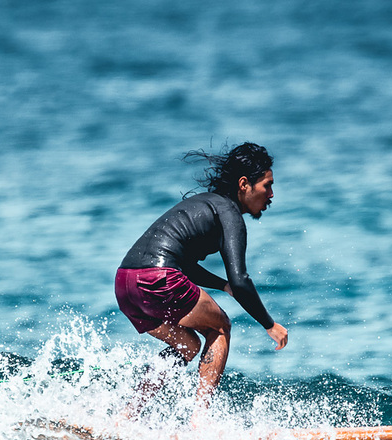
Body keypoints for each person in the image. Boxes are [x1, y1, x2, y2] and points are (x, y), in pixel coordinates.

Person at [115, 142, 289, 416]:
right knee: (220, 328)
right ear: (244, 184)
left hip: (125, 283)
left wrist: (222, 286)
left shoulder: (205, 203)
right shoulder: (229, 214)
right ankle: (200, 420)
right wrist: (270, 325)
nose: (271, 194)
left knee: (187, 344)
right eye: (267, 185)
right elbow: (241, 278)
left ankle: (128, 413)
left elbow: (185, 264)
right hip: (158, 277)